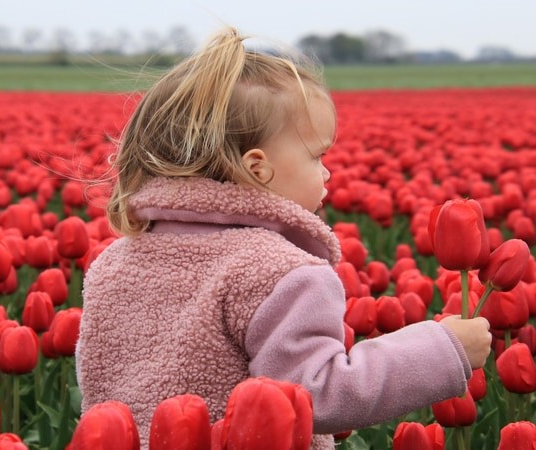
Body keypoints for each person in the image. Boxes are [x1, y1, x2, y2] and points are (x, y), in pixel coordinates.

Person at [75, 27, 491, 449]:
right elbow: (315, 393)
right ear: (258, 168)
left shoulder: (113, 263)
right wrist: (444, 350)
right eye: (317, 156)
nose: (327, 172)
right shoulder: (279, 273)